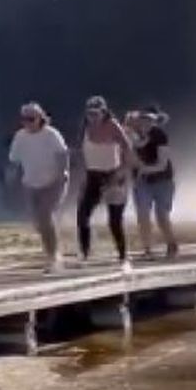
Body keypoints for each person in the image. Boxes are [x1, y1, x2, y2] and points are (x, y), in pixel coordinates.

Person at [6, 103, 70, 272]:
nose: (28, 123)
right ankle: (51, 250)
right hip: (30, 183)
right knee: (38, 222)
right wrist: (10, 176)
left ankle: (53, 257)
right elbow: (14, 159)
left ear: (40, 118)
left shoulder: (51, 135)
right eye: (24, 119)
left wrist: (62, 172)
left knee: (45, 215)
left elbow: (63, 154)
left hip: (53, 182)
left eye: (31, 119)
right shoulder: (20, 136)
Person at [74, 95, 136, 269]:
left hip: (113, 174)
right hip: (93, 175)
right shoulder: (85, 127)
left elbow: (128, 148)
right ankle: (84, 253)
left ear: (103, 112)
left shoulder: (112, 126)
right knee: (82, 215)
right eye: (90, 113)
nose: (93, 117)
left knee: (114, 219)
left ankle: (123, 256)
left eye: (96, 113)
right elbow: (81, 151)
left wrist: (123, 171)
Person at [131, 106, 179, 260]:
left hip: (162, 180)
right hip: (143, 181)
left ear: (153, 121)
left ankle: (171, 244)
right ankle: (148, 249)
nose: (145, 122)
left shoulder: (159, 135)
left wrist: (143, 169)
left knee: (161, 215)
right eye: (142, 119)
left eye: (148, 119)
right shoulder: (134, 136)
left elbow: (162, 164)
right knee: (143, 214)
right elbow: (130, 158)